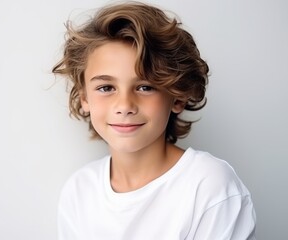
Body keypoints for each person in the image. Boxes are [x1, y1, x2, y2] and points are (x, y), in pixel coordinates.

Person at [52, 1, 256, 239]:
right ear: (84, 97)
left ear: (177, 96)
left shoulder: (210, 186)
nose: (125, 106)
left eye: (145, 87)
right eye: (106, 87)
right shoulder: (79, 190)